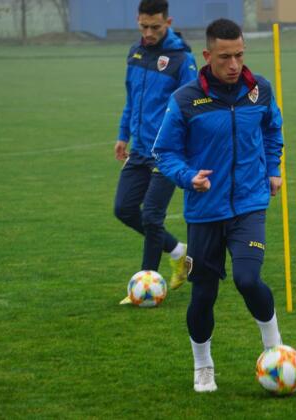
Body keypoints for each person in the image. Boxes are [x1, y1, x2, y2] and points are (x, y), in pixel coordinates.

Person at [152, 18, 286, 392]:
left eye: (239, 55)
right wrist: (188, 176)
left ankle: (275, 350)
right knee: (203, 294)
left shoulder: (260, 90)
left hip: (249, 205)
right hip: (204, 211)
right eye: (225, 57)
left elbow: (272, 130)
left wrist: (273, 169)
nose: (234, 64)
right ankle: (203, 366)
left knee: (248, 279)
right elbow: (164, 151)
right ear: (207, 56)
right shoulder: (185, 100)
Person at [114, 0, 197, 303]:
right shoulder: (135, 53)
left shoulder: (182, 59)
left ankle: (145, 288)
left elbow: (192, 107)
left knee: (151, 216)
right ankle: (178, 251)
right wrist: (123, 135)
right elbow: (131, 100)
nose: (148, 33)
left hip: (167, 152)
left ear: (168, 23)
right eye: (144, 26)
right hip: (139, 149)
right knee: (123, 209)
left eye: (155, 27)